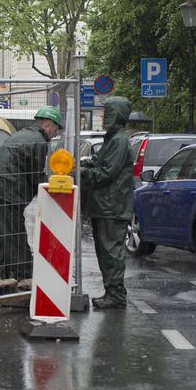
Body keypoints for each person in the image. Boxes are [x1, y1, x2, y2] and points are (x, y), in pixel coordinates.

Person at [0, 106, 63, 280]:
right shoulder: (38, 141)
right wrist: (53, 189)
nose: (56, 133)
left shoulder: (22, 134)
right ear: (47, 123)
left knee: (0, 236)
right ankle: (22, 279)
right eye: (56, 128)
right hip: (6, 192)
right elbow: (35, 175)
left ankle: (6, 276)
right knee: (14, 237)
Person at [80, 96, 135, 309]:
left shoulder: (119, 141)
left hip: (111, 207)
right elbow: (99, 163)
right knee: (105, 252)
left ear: (116, 114)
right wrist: (85, 164)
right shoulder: (112, 139)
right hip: (106, 206)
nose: (102, 116)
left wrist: (82, 172)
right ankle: (111, 292)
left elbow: (105, 173)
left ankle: (116, 295)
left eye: (106, 112)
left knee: (111, 252)